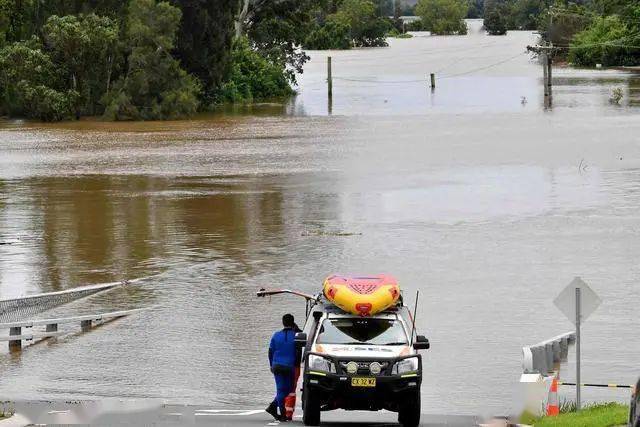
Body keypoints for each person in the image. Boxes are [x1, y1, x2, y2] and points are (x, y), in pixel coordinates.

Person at [266, 314, 298, 421]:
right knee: (288, 389)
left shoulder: (276, 335)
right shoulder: (296, 336)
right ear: (293, 323)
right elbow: (299, 352)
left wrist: (271, 364)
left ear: (282, 322)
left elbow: (270, 351)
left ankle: (274, 408)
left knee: (281, 389)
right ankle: (282, 414)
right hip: (289, 366)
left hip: (277, 365)